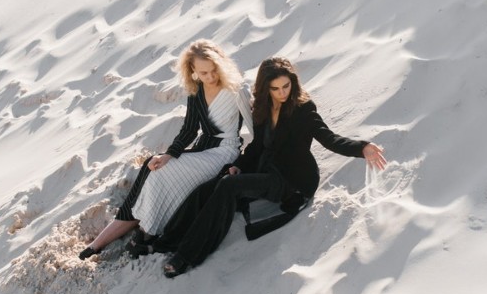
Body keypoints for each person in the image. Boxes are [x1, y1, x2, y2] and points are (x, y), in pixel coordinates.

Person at [162, 57, 385, 277]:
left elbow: (329, 138)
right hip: (266, 168)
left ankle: (186, 256)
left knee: (228, 187)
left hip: (292, 180)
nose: (282, 92)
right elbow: (257, 145)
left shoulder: (303, 109)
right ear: (265, 87)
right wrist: (239, 165)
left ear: (293, 83)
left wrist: (361, 148)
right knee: (209, 187)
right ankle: (168, 240)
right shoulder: (262, 107)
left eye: (286, 86)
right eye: (275, 88)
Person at [79, 40, 251, 259]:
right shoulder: (196, 91)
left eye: (213, 70)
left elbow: (256, 131)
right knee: (154, 165)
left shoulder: (237, 89)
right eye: (203, 72)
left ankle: (145, 231)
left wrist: (241, 164)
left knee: (161, 175)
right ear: (193, 71)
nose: (210, 77)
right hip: (202, 150)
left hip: (225, 153)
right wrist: (169, 154)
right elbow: (189, 130)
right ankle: (116, 232)